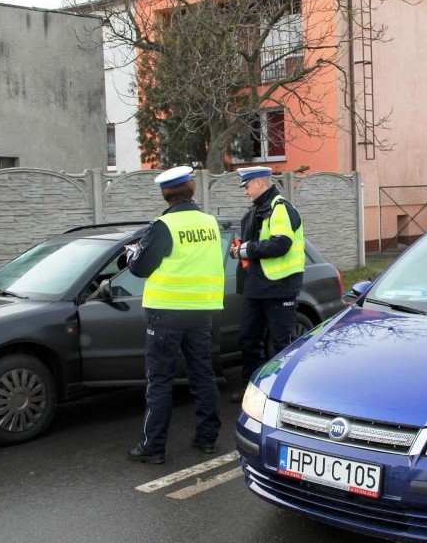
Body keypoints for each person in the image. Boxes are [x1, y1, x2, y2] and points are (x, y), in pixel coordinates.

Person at [126, 165, 224, 464]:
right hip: (201, 312)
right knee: (204, 377)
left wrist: (132, 253)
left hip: (167, 315)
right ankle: (207, 439)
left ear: (165, 194)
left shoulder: (162, 226)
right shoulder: (210, 223)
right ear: (191, 189)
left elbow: (141, 268)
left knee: (160, 382)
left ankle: (153, 448)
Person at [228, 166, 305, 403]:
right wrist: (239, 250)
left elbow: (281, 243)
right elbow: (254, 243)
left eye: (247, 186)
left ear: (259, 184)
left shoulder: (279, 207)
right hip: (257, 287)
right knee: (249, 339)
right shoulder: (254, 211)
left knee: (283, 344)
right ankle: (251, 390)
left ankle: (287, 395)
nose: (245, 192)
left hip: (280, 288)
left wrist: (246, 249)